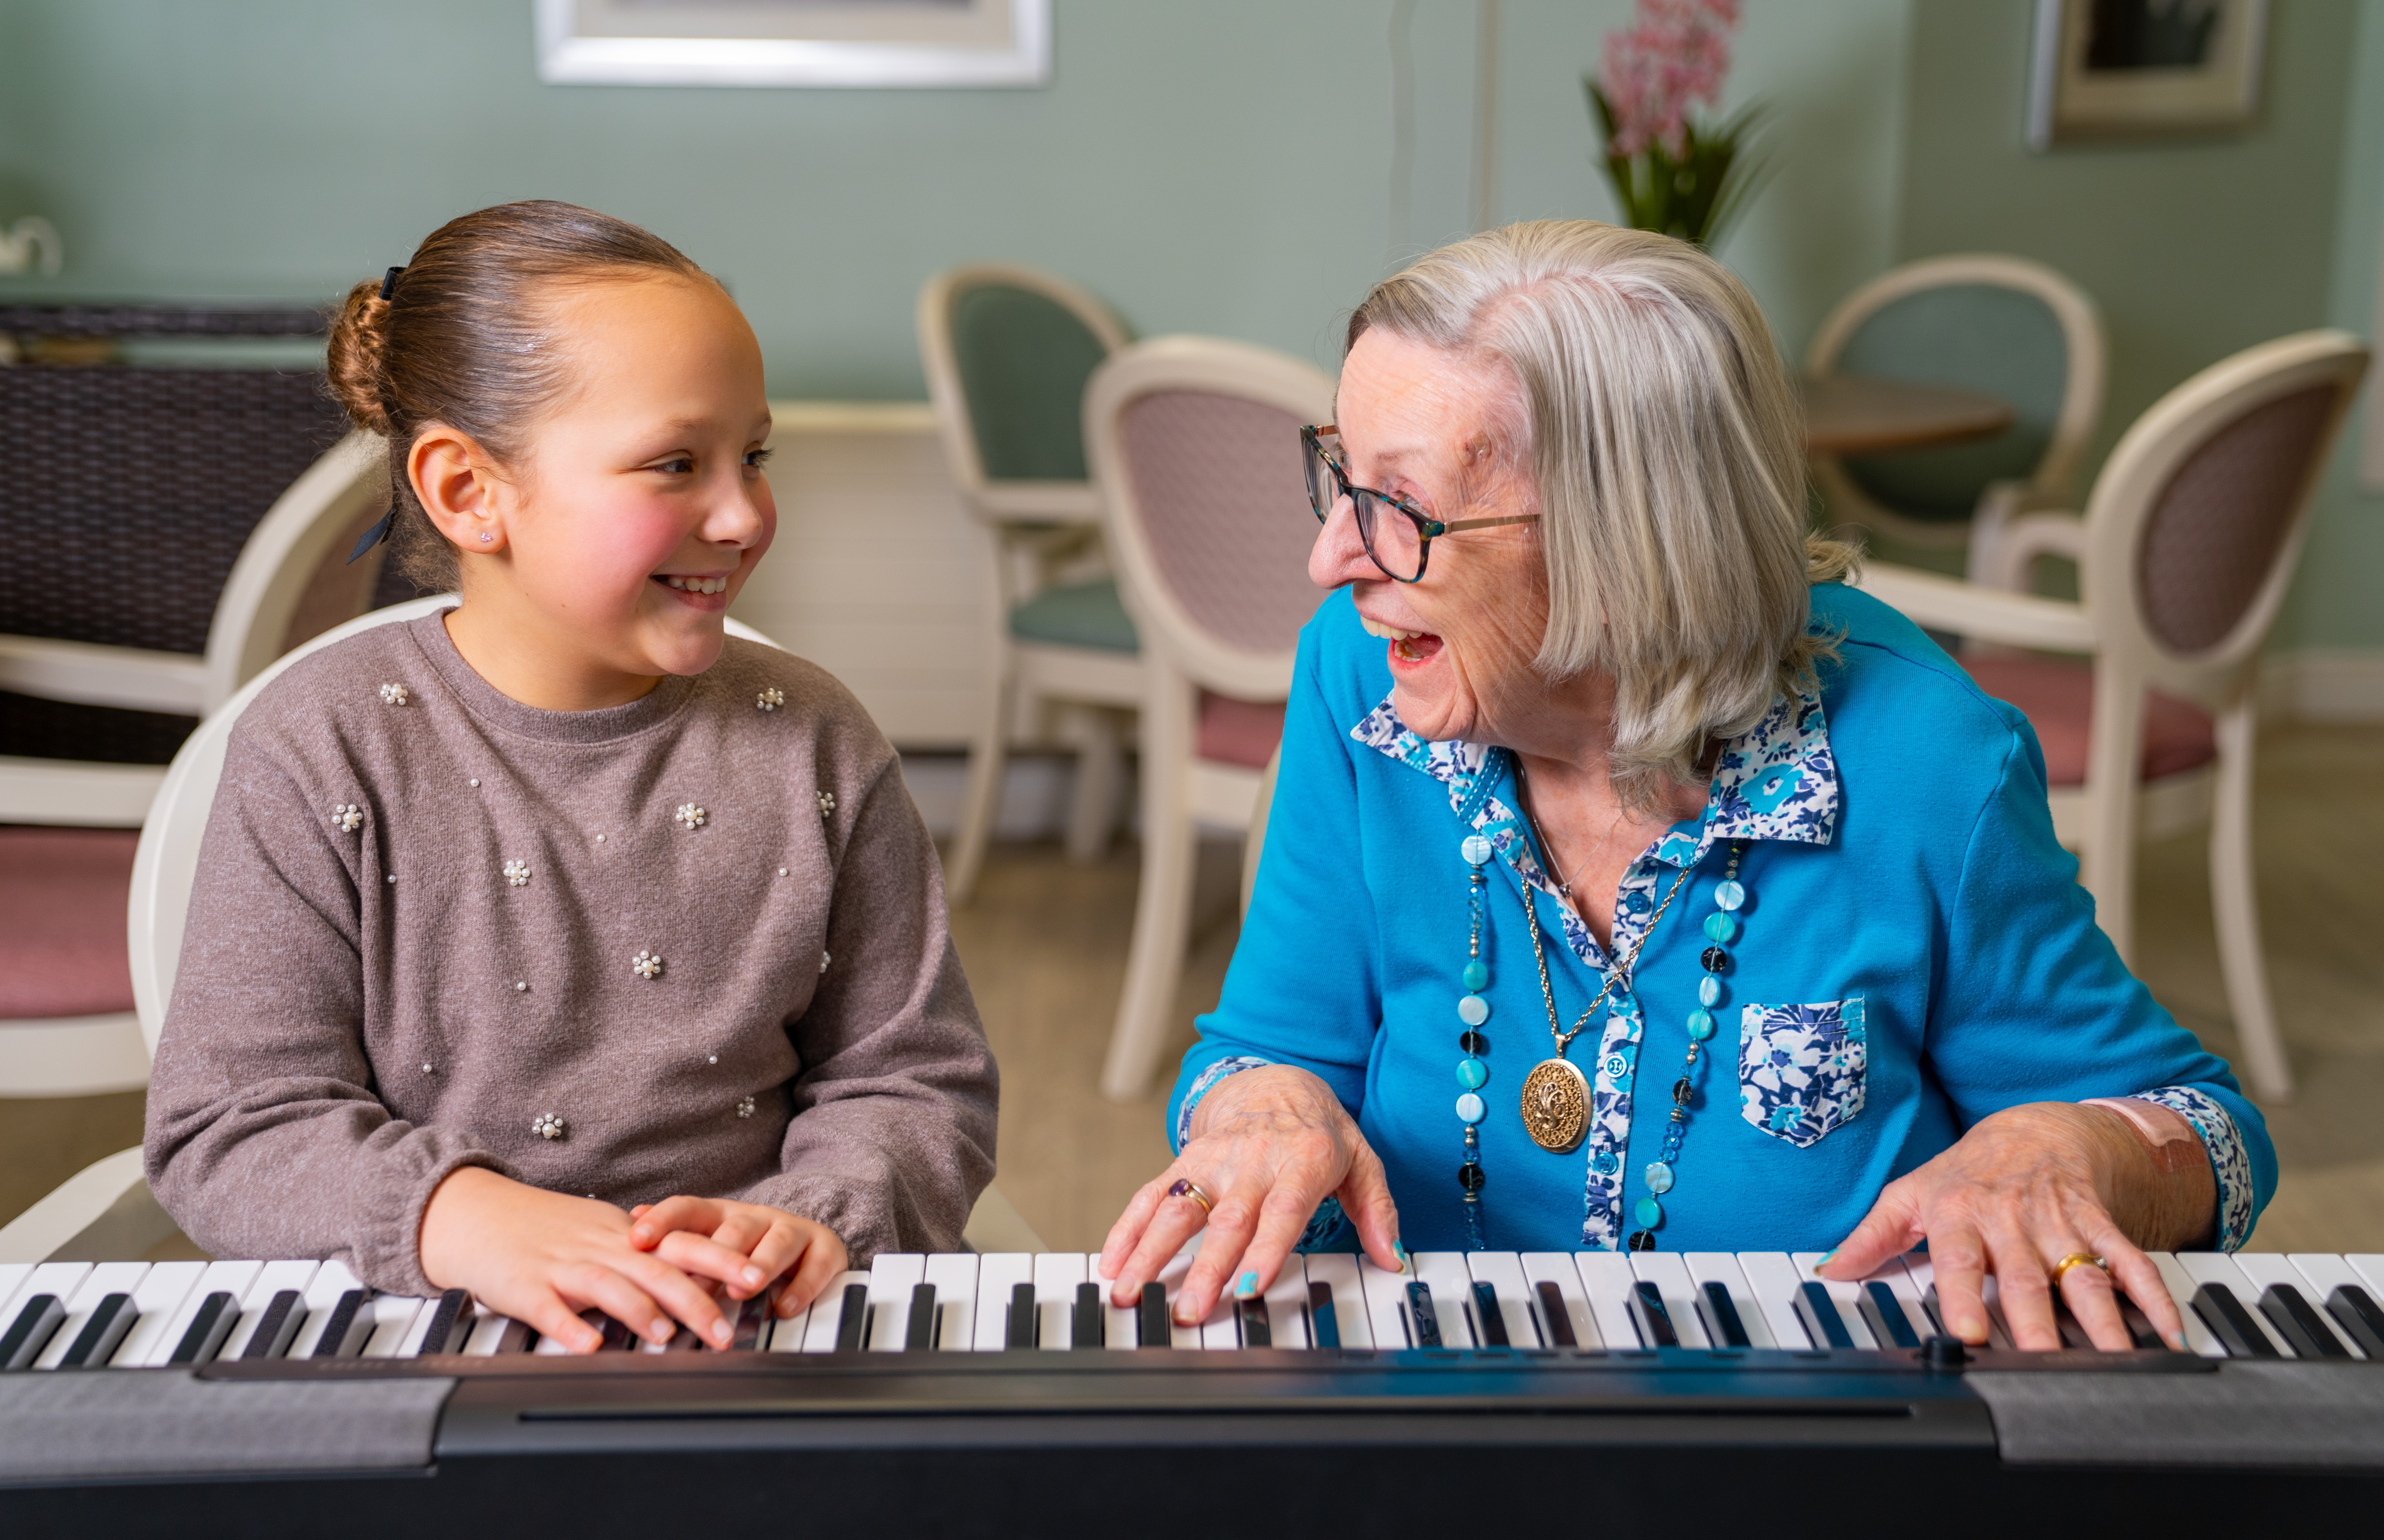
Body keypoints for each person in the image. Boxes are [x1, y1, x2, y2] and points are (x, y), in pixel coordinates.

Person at [1100, 220, 2270, 1354]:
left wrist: (2076, 1147)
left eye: (1399, 509)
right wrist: (1263, 1106)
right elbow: (1268, 1045)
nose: (1334, 558)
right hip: (1427, 1412)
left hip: (1798, 1449)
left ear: (1627, 541)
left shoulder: (1927, 761)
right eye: (1340, 480)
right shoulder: (1362, 677)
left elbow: (2215, 1135)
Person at [146, 201, 997, 1354]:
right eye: (674, 464)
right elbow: (232, 1130)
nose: (745, 514)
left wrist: (817, 1217)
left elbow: (914, 1079)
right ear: (466, 492)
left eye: (753, 455)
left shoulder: (817, 742)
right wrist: (463, 1216)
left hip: (755, 1335)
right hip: (426, 1327)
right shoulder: (319, 747)